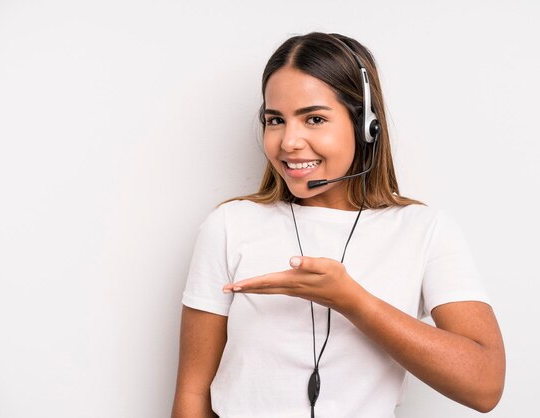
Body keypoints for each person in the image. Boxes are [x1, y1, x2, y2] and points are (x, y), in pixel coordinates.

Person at [171, 32, 505, 418]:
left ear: (366, 126)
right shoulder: (230, 225)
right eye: (275, 120)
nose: (289, 142)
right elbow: (192, 394)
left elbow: (485, 387)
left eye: (314, 119)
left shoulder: (424, 230)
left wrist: (352, 301)